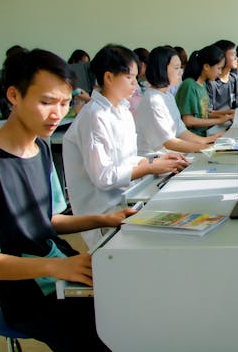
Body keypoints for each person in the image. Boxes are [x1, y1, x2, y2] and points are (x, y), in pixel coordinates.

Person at [0, 49, 133, 351]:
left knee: (136, 305)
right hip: (26, 293)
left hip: (59, 270)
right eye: (46, 102)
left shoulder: (41, 149)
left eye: (64, 103)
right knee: (106, 332)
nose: (57, 113)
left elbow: (47, 220)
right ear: (13, 95)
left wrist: (106, 219)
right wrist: (55, 268)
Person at [63, 44, 188, 246]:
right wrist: (149, 167)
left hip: (127, 199)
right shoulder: (94, 115)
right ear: (109, 77)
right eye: (129, 78)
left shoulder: (122, 110)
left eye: (136, 77)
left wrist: (154, 160)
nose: (135, 85)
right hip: (103, 214)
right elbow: (104, 177)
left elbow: (128, 159)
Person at [136, 46, 224, 154]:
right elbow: (169, 142)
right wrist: (208, 149)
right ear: (162, 69)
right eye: (176, 68)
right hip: (155, 163)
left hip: (169, 158)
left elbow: (180, 131)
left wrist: (208, 140)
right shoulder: (153, 100)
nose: (180, 72)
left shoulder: (167, 95)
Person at [175, 44, 234, 136]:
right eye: (218, 68)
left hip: (204, 134)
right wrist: (219, 120)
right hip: (193, 138)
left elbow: (204, 113)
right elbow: (188, 120)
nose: (220, 72)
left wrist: (227, 115)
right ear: (206, 66)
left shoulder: (203, 84)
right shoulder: (189, 85)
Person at [207, 40, 238, 112]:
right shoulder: (211, 83)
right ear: (221, 57)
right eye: (233, 54)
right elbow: (208, 112)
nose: (236, 58)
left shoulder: (234, 78)